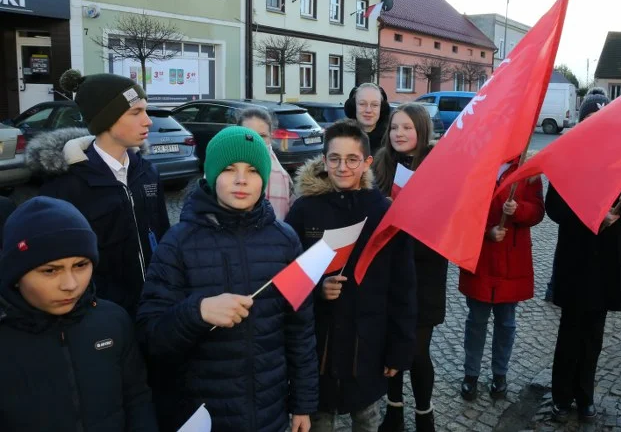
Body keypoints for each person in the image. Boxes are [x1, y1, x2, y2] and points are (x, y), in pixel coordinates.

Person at [136, 126, 318, 432]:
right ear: (209, 175)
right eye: (229, 169)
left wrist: (303, 403)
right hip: (204, 415)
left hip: (270, 414)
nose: (242, 179)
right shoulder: (178, 243)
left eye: (252, 170)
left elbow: (300, 330)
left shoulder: (286, 240)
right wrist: (198, 312)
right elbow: (150, 336)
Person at [285, 119, 416, 432]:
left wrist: (399, 349)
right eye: (335, 159)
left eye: (352, 159)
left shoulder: (385, 213)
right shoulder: (304, 210)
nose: (343, 167)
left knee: (368, 420)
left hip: (368, 347)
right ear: (324, 160)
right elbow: (287, 275)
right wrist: (318, 288)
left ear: (367, 162)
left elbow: (404, 286)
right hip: (320, 350)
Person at [0, 196, 157, 431]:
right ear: (16, 273)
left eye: (81, 265)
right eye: (50, 270)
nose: (70, 284)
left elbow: (137, 398)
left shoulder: (113, 320)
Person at [26, 69, 170, 318]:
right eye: (136, 112)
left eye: (146, 111)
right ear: (106, 119)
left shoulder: (148, 172)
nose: (148, 121)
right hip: (101, 315)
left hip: (155, 305)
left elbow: (163, 235)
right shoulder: (66, 185)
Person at [547, 88, 621, 423]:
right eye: (590, 119)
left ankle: (585, 396)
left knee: (594, 336)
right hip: (576, 259)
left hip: (607, 263)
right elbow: (554, 208)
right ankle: (561, 395)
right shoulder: (567, 157)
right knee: (570, 332)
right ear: (582, 123)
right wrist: (590, 216)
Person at [371, 104, 446, 432]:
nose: (399, 134)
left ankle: (424, 414)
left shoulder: (439, 166)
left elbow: (445, 221)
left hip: (425, 271)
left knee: (416, 350)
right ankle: (394, 410)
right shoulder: (380, 163)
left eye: (407, 128)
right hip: (388, 272)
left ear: (422, 131)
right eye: (394, 128)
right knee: (392, 343)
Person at [458, 156, 545, 401]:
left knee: (506, 323)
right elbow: (465, 209)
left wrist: (519, 209)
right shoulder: (478, 164)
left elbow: (538, 211)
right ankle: (471, 374)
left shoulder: (529, 170)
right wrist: (488, 230)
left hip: (511, 262)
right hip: (482, 258)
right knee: (477, 321)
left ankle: (500, 374)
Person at [237, 107, 295, 220]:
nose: (257, 141)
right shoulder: (222, 169)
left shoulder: (284, 177)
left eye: (262, 136)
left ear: (270, 137)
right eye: (249, 135)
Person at [344, 83, 391, 156]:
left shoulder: (392, 141)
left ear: (382, 108)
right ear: (353, 106)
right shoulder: (339, 138)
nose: (368, 110)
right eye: (362, 104)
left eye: (375, 105)